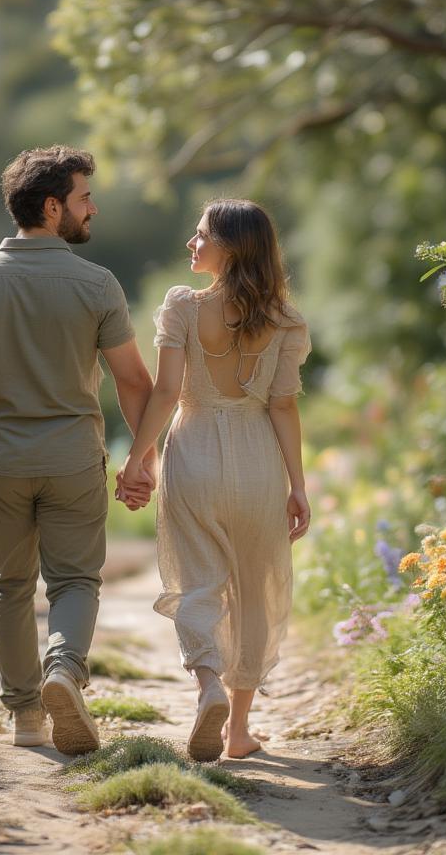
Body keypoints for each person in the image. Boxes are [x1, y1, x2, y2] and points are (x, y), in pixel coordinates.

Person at [0, 145, 155, 756]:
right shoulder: (97, 284)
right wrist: (143, 458)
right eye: (85, 197)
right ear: (53, 206)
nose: (93, 208)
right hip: (73, 460)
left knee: (10, 585)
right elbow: (135, 381)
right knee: (76, 581)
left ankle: (26, 719)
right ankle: (64, 669)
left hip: (1, 461)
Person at [117, 199, 311, 762]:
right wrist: (297, 485)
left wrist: (138, 459)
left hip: (195, 453)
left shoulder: (182, 306)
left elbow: (167, 393)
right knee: (254, 587)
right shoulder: (285, 320)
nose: (191, 244)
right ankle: (239, 729)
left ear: (230, 246)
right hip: (256, 460)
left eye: (200, 235)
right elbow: (284, 406)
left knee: (198, 580)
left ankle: (207, 688)